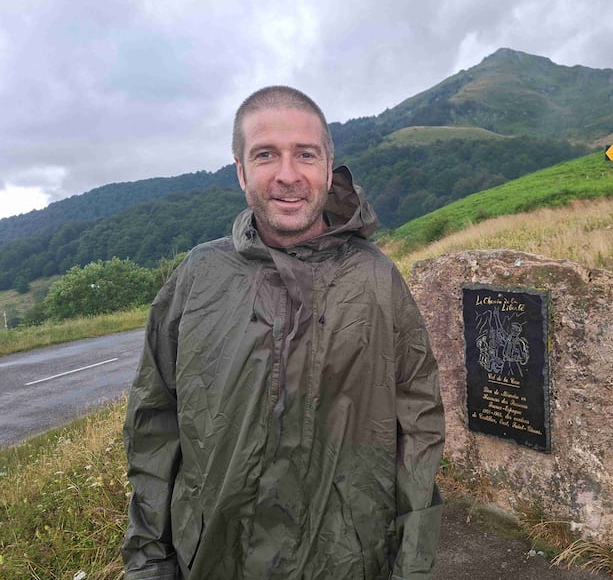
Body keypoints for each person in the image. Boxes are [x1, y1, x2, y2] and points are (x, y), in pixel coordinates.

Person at [122, 86, 445, 579]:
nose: (288, 175)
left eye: (305, 155)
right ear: (240, 170)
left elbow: (418, 428)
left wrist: (414, 565)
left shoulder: (378, 280)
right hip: (212, 562)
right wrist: (148, 558)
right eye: (266, 154)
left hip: (346, 563)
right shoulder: (197, 278)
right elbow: (154, 423)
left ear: (328, 166)